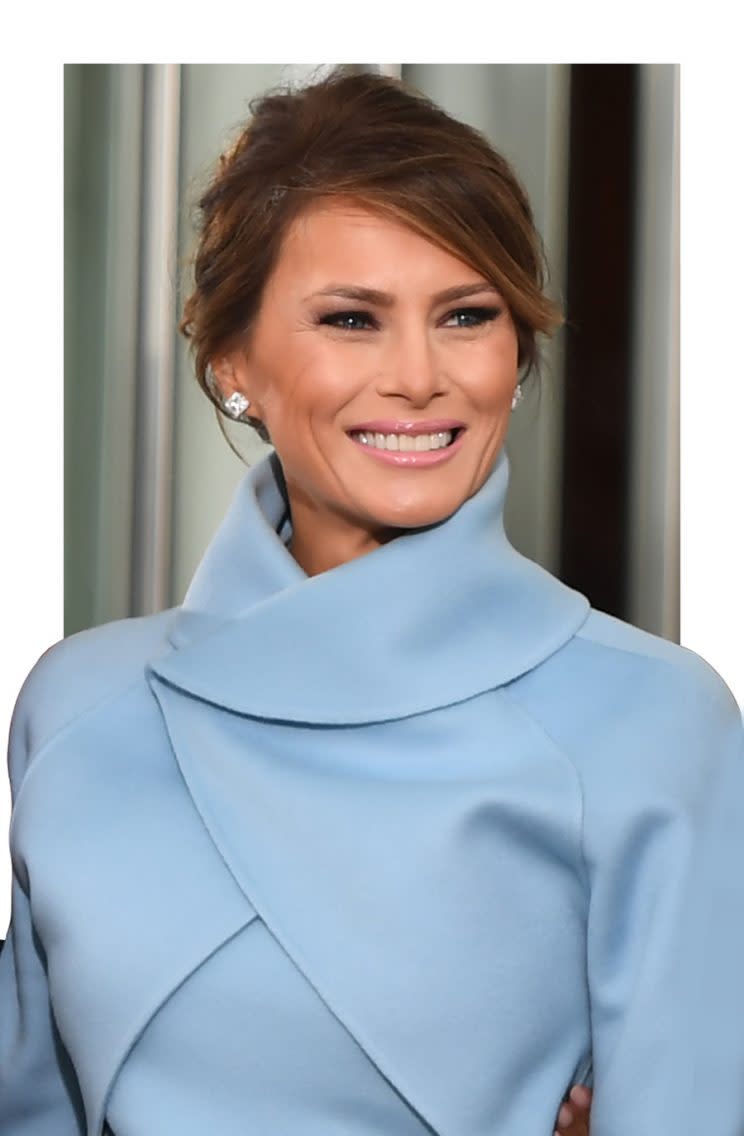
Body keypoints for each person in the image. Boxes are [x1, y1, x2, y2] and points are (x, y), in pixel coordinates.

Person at [1, 65, 742, 1136]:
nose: (418, 376)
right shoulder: (74, 708)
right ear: (230, 360)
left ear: (516, 351)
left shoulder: (655, 719)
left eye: (466, 315)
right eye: (352, 318)